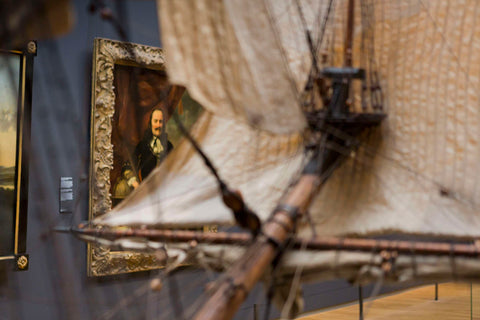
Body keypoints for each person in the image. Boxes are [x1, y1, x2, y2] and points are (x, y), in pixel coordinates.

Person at [134, 108, 173, 181]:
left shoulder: (169, 146)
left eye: (160, 122)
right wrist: (135, 183)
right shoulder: (143, 145)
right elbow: (129, 164)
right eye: (155, 121)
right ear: (150, 123)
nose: (158, 125)